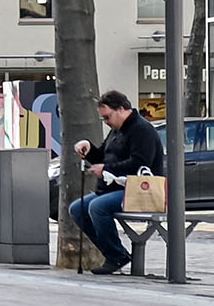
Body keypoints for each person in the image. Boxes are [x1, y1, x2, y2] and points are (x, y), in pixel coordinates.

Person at [68, 90, 167, 274]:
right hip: (118, 188)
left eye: (107, 117)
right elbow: (102, 156)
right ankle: (114, 253)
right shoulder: (116, 130)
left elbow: (139, 163)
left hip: (140, 190)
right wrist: (88, 150)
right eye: (103, 119)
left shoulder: (141, 129)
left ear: (121, 109)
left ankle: (116, 256)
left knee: (97, 207)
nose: (106, 122)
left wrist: (107, 169)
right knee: (77, 208)